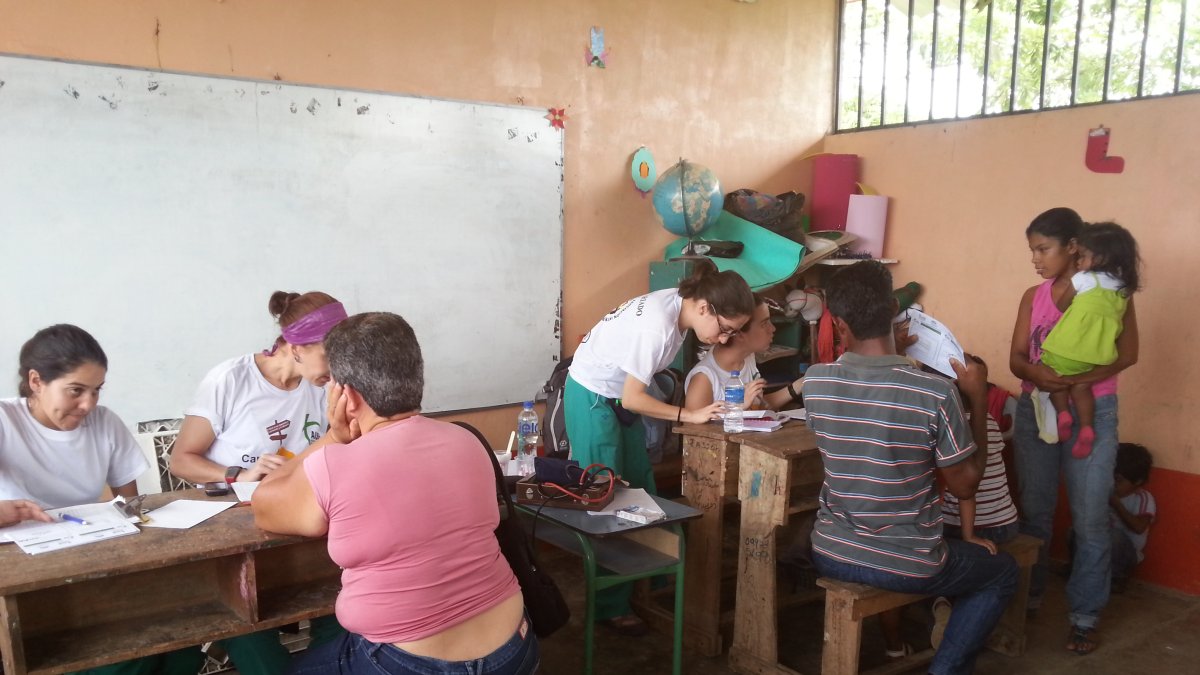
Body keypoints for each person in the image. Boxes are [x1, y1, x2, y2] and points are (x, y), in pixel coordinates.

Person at [253, 312, 538, 675]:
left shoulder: (335, 464)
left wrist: (333, 436)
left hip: (406, 664)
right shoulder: (468, 441)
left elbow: (264, 504)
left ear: (346, 395)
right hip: (515, 649)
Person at [805, 261, 1017, 675]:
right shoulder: (935, 393)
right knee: (1002, 572)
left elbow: (868, 405)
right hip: (907, 562)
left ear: (840, 325)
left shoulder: (816, 383)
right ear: (893, 311)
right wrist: (975, 399)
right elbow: (967, 485)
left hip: (830, 550)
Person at [0, 324, 202, 675]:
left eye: (96, 391)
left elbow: (130, 507)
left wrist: (130, 522)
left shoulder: (105, 423)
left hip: (90, 556)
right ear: (36, 381)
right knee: (128, 654)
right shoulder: (5, 421)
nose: (87, 405)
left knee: (181, 648)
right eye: (75, 391)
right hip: (26, 575)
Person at [565, 261, 754, 634]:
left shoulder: (681, 306)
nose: (722, 339)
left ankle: (642, 584)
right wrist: (690, 414)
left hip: (616, 399)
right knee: (607, 501)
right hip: (593, 396)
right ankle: (607, 606)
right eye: (725, 329)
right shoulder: (657, 325)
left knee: (640, 490)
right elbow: (634, 398)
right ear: (705, 308)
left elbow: (632, 395)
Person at [169, 290, 349, 675]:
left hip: (299, 518)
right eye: (329, 357)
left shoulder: (323, 389)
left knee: (337, 597)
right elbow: (181, 460)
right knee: (243, 615)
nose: (336, 369)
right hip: (236, 523)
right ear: (295, 346)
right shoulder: (231, 380)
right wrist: (236, 475)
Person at [1009, 207, 1139, 656]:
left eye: (1043, 249)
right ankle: (1030, 598)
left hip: (1094, 412)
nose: (1036, 259)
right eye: (1033, 251)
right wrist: (1040, 378)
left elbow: (1128, 354)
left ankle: (1084, 617)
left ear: (1074, 248)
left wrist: (1078, 380)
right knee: (1037, 511)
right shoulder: (1033, 295)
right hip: (1036, 409)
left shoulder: (1109, 292)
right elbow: (1016, 359)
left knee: (1090, 519)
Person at [1041, 222, 1142, 459]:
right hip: (1097, 357)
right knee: (1082, 386)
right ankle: (1086, 427)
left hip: (1065, 349)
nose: (1078, 262)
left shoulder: (1084, 279)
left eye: (1083, 256)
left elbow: (1062, 305)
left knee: (1052, 375)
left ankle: (1063, 413)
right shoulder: (1124, 289)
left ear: (1101, 257)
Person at [683, 294, 804, 411]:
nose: (773, 328)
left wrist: (801, 384)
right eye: (764, 323)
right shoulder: (703, 379)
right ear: (739, 332)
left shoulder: (747, 358)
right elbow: (692, 430)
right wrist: (738, 405)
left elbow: (759, 406)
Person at [1108, 442, 1155, 589]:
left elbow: (1139, 527)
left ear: (1138, 481)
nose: (1113, 483)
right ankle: (1079, 568)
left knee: (1113, 537)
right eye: (1111, 477)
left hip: (1127, 553)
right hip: (1102, 543)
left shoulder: (1143, 498)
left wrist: (1117, 504)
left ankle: (1117, 576)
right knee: (1075, 531)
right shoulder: (1107, 492)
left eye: (1119, 480)